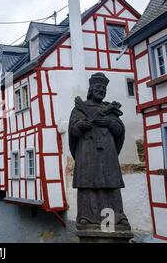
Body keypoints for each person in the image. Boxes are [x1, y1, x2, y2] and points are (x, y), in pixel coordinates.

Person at [68, 72, 130, 229]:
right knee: (87, 183)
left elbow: (120, 131)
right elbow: (72, 131)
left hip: (107, 152)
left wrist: (109, 123)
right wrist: (79, 127)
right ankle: (86, 216)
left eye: (103, 88)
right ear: (91, 89)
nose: (101, 90)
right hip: (87, 151)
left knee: (111, 182)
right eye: (98, 87)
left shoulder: (110, 110)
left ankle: (117, 216)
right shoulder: (80, 109)